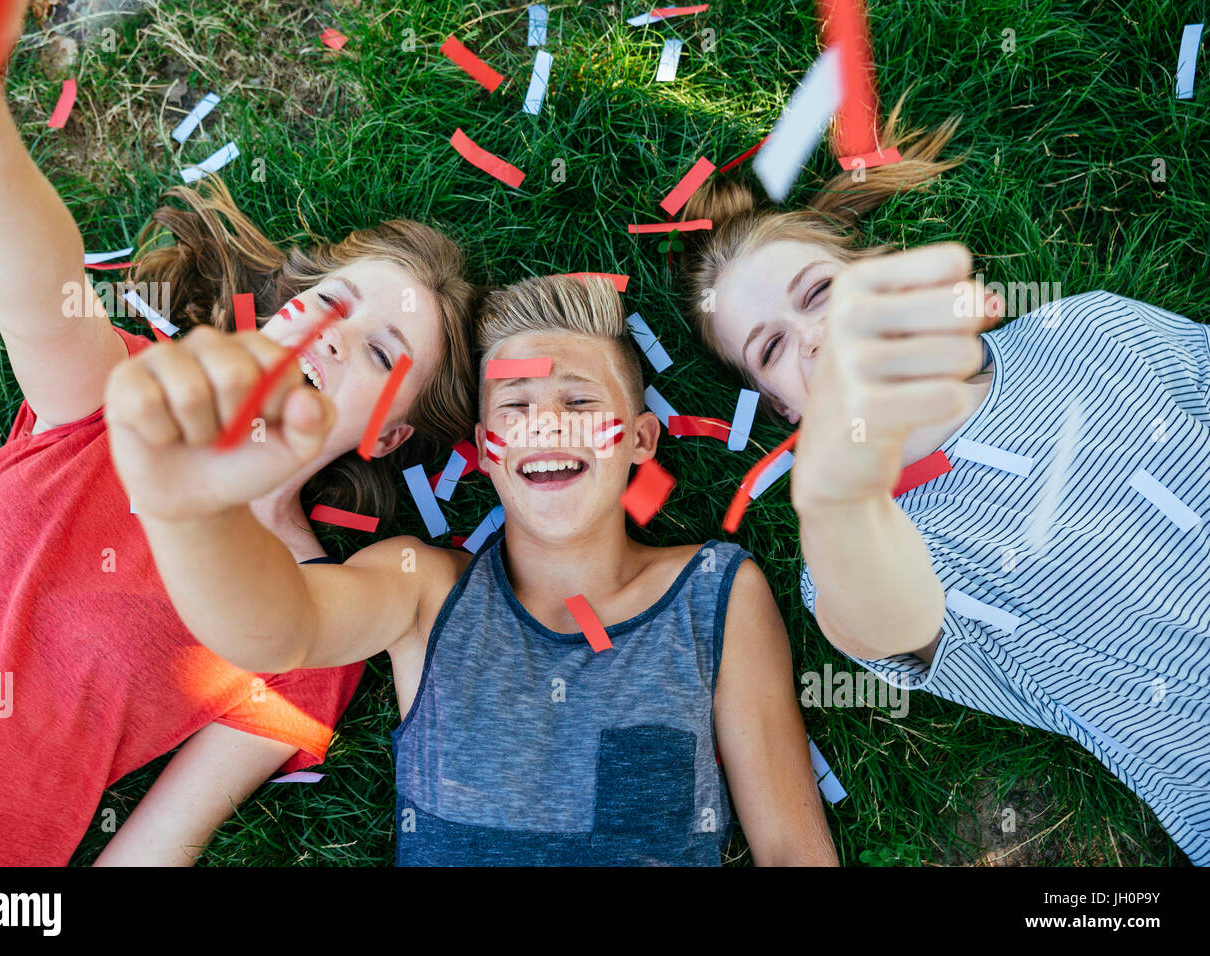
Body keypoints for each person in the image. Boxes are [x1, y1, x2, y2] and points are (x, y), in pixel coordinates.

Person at [0, 29, 478, 864]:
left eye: (382, 352)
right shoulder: (128, 395)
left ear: (388, 435)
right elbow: (39, 295)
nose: (330, 337)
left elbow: (156, 846)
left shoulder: (311, 629)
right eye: (333, 301)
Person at [105, 274, 840, 865]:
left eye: (579, 401)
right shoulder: (423, 588)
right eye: (517, 406)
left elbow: (788, 847)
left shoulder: (715, 591)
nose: (547, 423)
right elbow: (277, 631)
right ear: (488, 451)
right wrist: (188, 512)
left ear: (641, 439)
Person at [681, 106, 1210, 865]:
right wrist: (841, 497)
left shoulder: (1086, 330)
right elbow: (879, 617)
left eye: (820, 293)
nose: (814, 339)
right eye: (771, 348)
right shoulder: (859, 547)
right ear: (784, 408)